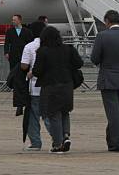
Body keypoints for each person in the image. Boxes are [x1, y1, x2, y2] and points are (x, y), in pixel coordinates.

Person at [91, 10, 119, 152]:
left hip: (108, 78)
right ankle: (111, 139)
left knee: (113, 113)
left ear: (107, 21)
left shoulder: (102, 36)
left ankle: (117, 142)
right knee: (116, 111)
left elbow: (94, 59)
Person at [32, 26, 83, 154]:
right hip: (67, 84)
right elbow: (79, 63)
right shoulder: (68, 49)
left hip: (50, 86)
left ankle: (58, 143)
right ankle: (66, 136)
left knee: (53, 114)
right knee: (65, 112)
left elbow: (37, 71)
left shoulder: (43, 51)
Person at [20, 21, 51, 152]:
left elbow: (24, 66)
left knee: (33, 116)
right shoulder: (52, 46)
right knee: (50, 115)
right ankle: (58, 138)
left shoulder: (30, 46)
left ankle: (35, 142)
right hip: (50, 86)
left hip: (34, 86)